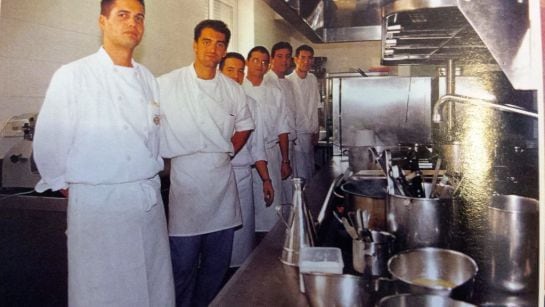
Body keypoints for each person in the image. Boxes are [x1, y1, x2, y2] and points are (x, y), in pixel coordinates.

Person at [32, 0, 175, 306]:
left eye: (139, 17)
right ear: (102, 21)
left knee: (151, 289)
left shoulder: (148, 79)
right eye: (122, 15)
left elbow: (155, 140)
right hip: (99, 207)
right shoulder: (73, 75)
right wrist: (70, 187)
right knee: (103, 291)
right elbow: (49, 141)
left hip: (146, 203)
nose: (132, 23)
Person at [158, 20, 255, 307]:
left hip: (221, 185)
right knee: (183, 265)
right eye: (207, 41)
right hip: (185, 181)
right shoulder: (166, 84)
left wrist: (228, 153)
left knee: (217, 265)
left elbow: (245, 125)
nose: (213, 49)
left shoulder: (232, 89)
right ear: (195, 44)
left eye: (220, 43)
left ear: (225, 50)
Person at [219, 52, 274, 267]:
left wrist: (266, 180)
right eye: (230, 70)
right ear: (220, 71)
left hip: (242, 177)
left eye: (240, 71)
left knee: (242, 241)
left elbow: (257, 147)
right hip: (214, 177)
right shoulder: (210, 102)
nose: (236, 75)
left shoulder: (251, 104)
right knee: (218, 239)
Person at [243, 46, 291, 232]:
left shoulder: (275, 93)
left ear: (268, 64)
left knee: (271, 210)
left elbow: (282, 127)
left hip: (271, 154)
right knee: (246, 213)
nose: (260, 65)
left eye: (264, 62)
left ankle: (269, 249)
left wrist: (285, 159)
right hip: (244, 156)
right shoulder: (238, 89)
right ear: (248, 62)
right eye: (255, 60)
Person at [264, 41, 297, 204]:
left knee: (287, 189)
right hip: (274, 145)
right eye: (279, 56)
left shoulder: (289, 83)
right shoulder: (266, 82)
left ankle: (289, 226)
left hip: (288, 143)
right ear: (272, 58)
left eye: (287, 57)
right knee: (277, 190)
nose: (284, 60)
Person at [287, 44, 321, 181]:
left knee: (309, 169)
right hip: (295, 135)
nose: (306, 62)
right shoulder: (288, 81)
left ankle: (308, 199)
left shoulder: (312, 79)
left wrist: (316, 130)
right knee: (299, 173)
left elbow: (316, 105)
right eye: (303, 58)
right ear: (296, 59)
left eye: (309, 58)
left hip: (309, 133)